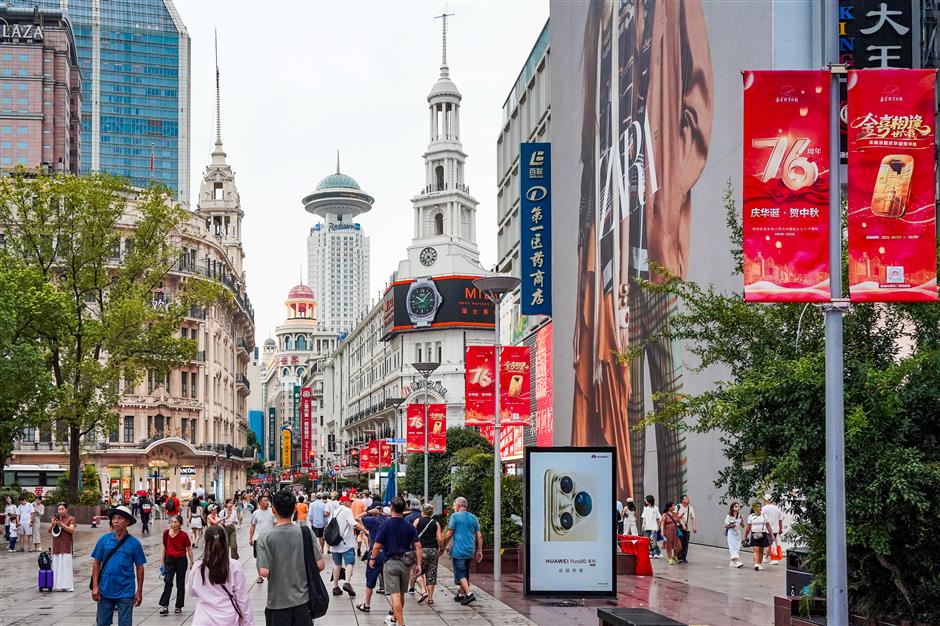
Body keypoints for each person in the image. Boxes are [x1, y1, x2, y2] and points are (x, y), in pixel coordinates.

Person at [256, 489, 326, 625]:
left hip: (277, 603)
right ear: (295, 509)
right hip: (303, 602)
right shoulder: (306, 533)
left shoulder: (264, 537)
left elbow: (264, 572)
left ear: (273, 510)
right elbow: (320, 565)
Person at [370, 498, 423, 626]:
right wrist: (419, 564)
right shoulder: (409, 526)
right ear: (404, 509)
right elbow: (418, 546)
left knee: (395, 596)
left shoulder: (386, 524)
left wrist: (372, 559)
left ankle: (402, 624)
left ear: (392, 508)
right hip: (405, 564)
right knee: (401, 594)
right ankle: (394, 619)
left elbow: (377, 545)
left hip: (390, 563)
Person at [186, 525, 253, 625]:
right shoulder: (234, 566)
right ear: (225, 542)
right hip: (228, 619)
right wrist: (249, 623)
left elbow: (191, 592)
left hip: (203, 619)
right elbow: (243, 599)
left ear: (206, 543)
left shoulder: (198, 567)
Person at [91, 505, 146, 626]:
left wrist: (139, 591)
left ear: (127, 522)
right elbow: (96, 563)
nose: (115, 521)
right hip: (105, 589)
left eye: (119, 518)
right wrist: (95, 586)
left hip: (126, 591)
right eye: (114, 518)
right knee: (102, 623)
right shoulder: (103, 540)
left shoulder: (134, 544)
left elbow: (140, 567)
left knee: (125, 624)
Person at [440, 496, 482, 605]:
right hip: (470, 550)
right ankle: (461, 594)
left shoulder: (455, 516)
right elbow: (479, 536)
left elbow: (449, 533)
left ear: (458, 506)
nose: (453, 508)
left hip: (459, 550)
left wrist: (442, 545)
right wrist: (480, 551)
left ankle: (469, 593)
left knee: (459, 573)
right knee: (465, 572)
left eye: (454, 506)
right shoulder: (474, 517)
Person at [354, 504, 387, 613]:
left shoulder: (372, 520)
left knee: (370, 580)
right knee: (391, 582)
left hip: (376, 553)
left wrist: (368, 512)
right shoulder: (388, 520)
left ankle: (367, 604)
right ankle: (394, 607)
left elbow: (356, 518)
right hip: (388, 553)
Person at [159, 515, 193, 615]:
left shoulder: (184, 535)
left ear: (180, 524)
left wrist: (191, 561)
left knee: (180, 583)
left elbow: (189, 548)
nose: (173, 524)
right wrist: (162, 561)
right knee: (168, 581)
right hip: (169, 560)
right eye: (172, 522)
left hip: (181, 560)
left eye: (175, 522)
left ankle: (178, 606)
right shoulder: (166, 533)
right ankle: (165, 605)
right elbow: (164, 547)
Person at [413, 503, 442, 606]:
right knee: (431, 573)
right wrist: (441, 549)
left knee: (418, 571)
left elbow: (412, 535)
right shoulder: (436, 523)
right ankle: (430, 599)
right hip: (434, 550)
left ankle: (423, 591)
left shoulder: (417, 521)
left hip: (421, 550)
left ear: (422, 511)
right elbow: (440, 539)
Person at [329, 495, 358, 597]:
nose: (351, 504)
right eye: (350, 502)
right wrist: (364, 530)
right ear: (345, 502)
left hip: (335, 543)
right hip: (346, 544)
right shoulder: (347, 510)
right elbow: (353, 523)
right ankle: (347, 583)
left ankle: (335, 587)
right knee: (350, 563)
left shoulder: (335, 512)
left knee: (337, 565)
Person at [49, 503, 77, 591]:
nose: (60, 511)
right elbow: (49, 531)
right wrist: (53, 523)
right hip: (56, 544)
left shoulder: (71, 518)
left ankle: (68, 586)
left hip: (66, 545)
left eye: (62, 509)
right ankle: (58, 585)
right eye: (59, 509)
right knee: (57, 565)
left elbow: (72, 530)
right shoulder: (56, 518)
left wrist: (62, 525)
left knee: (66, 565)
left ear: (66, 509)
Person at [249, 495, 276, 584]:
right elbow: (253, 526)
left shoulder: (272, 512)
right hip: (258, 539)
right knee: (259, 558)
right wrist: (250, 538)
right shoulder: (256, 513)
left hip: (270, 539)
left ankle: (271, 574)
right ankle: (260, 576)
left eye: (267, 500)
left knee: (271, 557)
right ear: (260, 502)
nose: (267, 502)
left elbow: (276, 524)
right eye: (264, 500)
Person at [744, 502, 774, 571]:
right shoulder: (751, 516)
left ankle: (759, 564)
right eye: (757, 507)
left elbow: (768, 526)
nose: (759, 508)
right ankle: (756, 564)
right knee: (756, 549)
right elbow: (748, 527)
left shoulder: (764, 516)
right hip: (755, 533)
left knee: (761, 550)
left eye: (760, 507)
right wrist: (745, 535)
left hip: (763, 534)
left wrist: (772, 534)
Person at [761, 493, 784, 564]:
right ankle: (766, 557)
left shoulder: (763, 509)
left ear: (765, 500)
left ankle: (773, 559)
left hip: (767, 529)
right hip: (775, 529)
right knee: (772, 543)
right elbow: (780, 520)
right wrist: (780, 529)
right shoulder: (777, 508)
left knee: (771, 543)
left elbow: (761, 519)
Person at [676, 495, 697, 563]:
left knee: (685, 542)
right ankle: (677, 557)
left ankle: (683, 557)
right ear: (682, 500)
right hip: (678, 527)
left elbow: (693, 517)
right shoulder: (678, 507)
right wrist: (679, 518)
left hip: (687, 527)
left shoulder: (690, 508)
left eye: (688, 498)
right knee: (679, 542)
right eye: (686, 499)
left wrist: (694, 526)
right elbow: (674, 516)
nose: (688, 500)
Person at [724, 502, 745, 568]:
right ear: (732, 508)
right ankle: (736, 561)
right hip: (731, 533)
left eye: (738, 506)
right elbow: (725, 525)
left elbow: (743, 526)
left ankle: (732, 562)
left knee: (737, 546)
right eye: (736, 506)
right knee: (733, 547)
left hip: (738, 533)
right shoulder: (729, 516)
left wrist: (742, 520)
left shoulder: (740, 515)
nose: (738, 508)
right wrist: (732, 525)